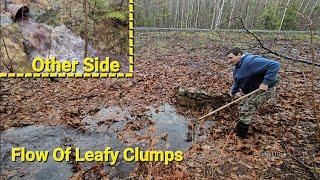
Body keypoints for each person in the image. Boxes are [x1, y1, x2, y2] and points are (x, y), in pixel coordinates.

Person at [226, 47, 280, 138]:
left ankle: (240, 137)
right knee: (242, 105)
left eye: (231, 58)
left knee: (246, 109)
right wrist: (232, 92)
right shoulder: (238, 66)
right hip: (252, 90)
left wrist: (265, 83)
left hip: (263, 90)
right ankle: (241, 127)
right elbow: (237, 81)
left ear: (239, 55)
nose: (228, 61)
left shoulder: (250, 61)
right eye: (228, 58)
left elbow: (275, 65)